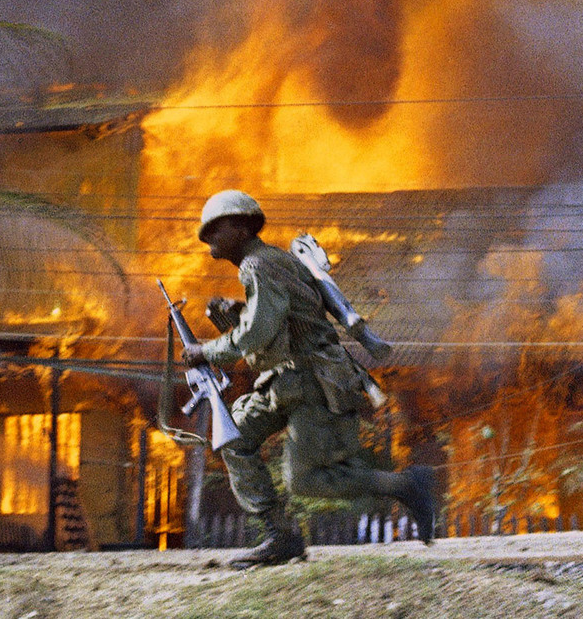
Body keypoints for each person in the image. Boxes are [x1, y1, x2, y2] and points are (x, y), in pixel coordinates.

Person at [182, 189, 437, 567]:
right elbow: (282, 321)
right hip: (285, 381)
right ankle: (279, 536)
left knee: (306, 479)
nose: (208, 241)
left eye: (214, 231)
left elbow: (256, 334)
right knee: (234, 436)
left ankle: (405, 485)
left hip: (314, 384)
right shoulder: (268, 263)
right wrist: (238, 313)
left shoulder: (258, 265)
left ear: (240, 226)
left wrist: (206, 351)